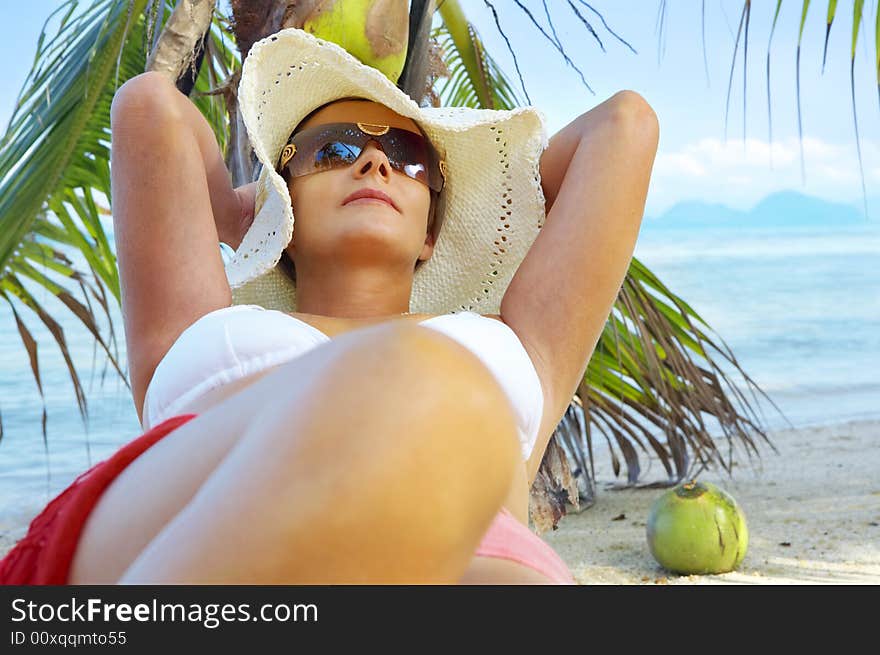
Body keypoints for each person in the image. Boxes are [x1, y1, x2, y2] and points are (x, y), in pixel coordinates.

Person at [0, 28, 658, 585]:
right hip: (183, 516)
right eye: (335, 149)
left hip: (470, 557)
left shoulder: (523, 340)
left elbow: (624, 126)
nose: (374, 159)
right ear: (283, 200)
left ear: (432, 230)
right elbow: (151, 108)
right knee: (439, 387)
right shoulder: (200, 321)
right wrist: (244, 212)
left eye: (407, 158)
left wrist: (495, 200)